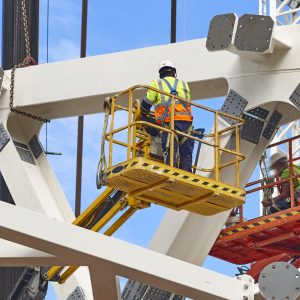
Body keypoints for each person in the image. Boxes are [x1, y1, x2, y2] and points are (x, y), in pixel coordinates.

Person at [140, 60, 194, 172]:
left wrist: (143, 113)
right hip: (186, 123)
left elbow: (147, 102)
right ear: (174, 72)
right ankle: (187, 174)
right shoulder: (184, 84)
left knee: (170, 150)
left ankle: (172, 174)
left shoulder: (157, 83)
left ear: (160, 73)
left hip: (169, 123)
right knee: (186, 153)